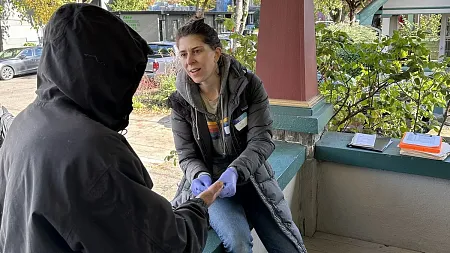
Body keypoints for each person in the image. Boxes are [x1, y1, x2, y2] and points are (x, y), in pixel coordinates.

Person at [0, 4, 224, 253]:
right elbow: (163, 244)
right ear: (106, 72)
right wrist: (198, 207)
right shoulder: (91, 151)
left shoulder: (22, 124)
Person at [169, 18, 308, 253]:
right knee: (237, 242)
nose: (189, 61)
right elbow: (186, 154)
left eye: (197, 51)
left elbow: (262, 139)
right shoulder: (180, 101)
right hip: (212, 184)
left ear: (216, 53)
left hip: (252, 175)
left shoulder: (249, 86)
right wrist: (199, 174)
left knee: (288, 246)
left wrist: (235, 171)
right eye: (183, 54)